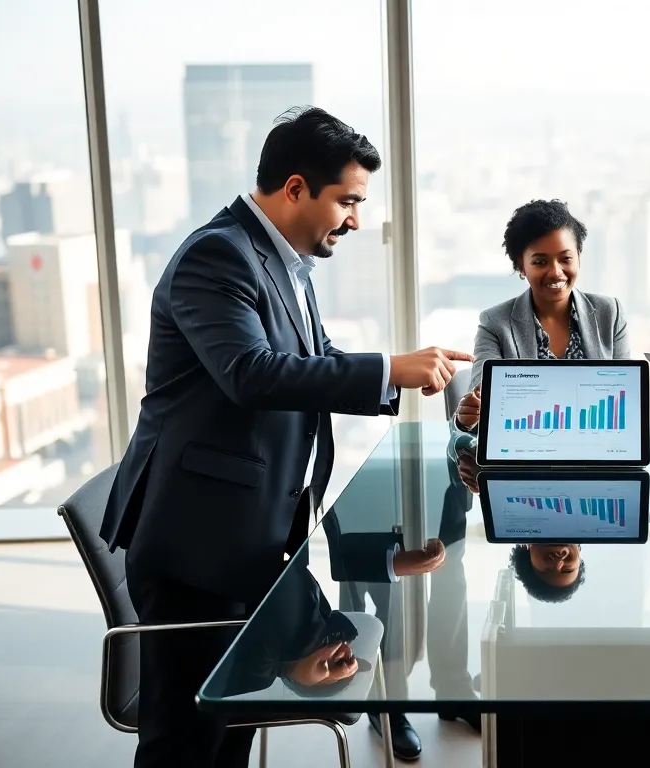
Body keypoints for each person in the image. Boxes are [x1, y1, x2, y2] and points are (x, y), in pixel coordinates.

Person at [98, 107, 465, 768]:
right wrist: (390, 369)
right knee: (185, 743)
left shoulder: (283, 260)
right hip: (195, 549)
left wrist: (399, 377)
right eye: (347, 201)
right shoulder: (218, 255)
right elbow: (253, 375)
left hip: (248, 541)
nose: (355, 220)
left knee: (230, 729)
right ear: (296, 188)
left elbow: (314, 362)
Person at [454, 199, 629, 432]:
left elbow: (627, 403)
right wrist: (468, 419)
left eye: (566, 259)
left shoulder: (610, 313)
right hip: (525, 456)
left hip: (597, 450)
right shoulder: (495, 323)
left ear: (578, 257)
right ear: (521, 266)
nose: (556, 272)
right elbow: (483, 410)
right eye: (540, 262)